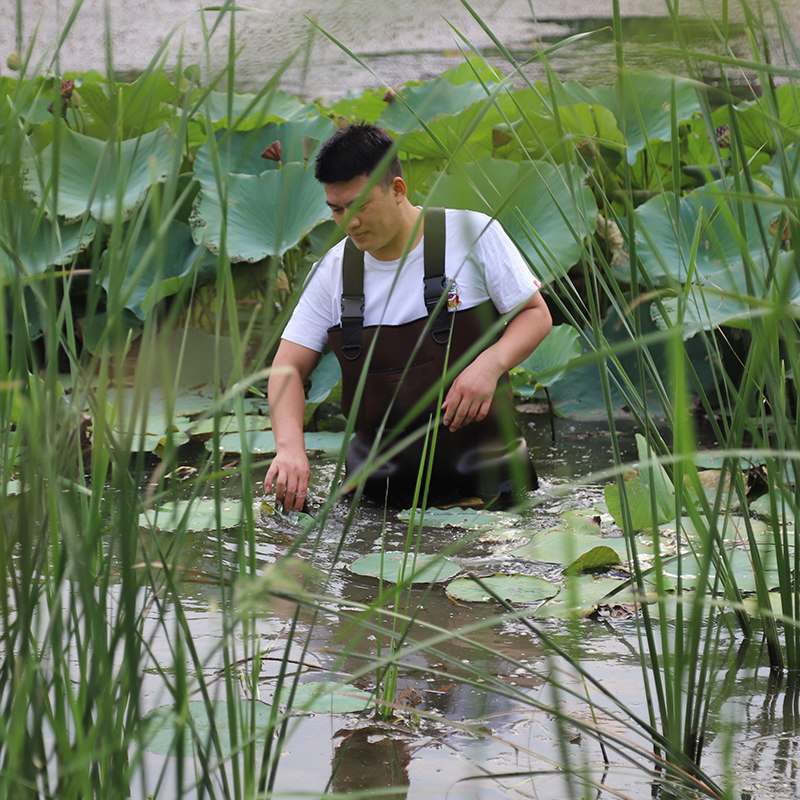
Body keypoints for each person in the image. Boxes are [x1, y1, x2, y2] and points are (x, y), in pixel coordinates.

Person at [264, 123, 551, 511]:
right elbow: (287, 368)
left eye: (360, 205)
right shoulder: (331, 273)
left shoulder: (473, 234)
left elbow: (535, 314)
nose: (349, 222)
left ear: (397, 189)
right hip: (379, 497)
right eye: (337, 209)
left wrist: (491, 364)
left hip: (493, 487)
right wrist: (289, 449)